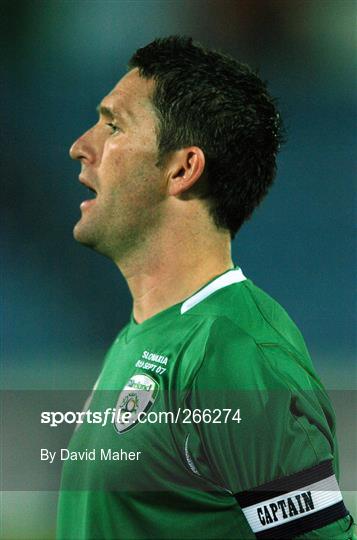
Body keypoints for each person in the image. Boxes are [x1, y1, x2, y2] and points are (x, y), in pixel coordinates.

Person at [57, 36, 354, 539]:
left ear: (182, 168)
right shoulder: (145, 332)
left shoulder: (237, 355)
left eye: (113, 125)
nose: (81, 147)